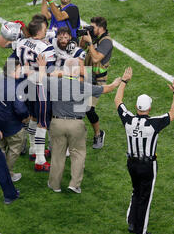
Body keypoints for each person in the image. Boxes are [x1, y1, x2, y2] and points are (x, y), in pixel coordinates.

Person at [31, 56, 122, 193]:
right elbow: (105, 89)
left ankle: (54, 185)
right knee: (78, 154)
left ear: (64, 70)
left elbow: (42, 79)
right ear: (75, 72)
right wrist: (116, 83)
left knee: (57, 155)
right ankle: (74, 184)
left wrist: (42, 66)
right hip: (76, 125)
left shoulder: (56, 82)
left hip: (57, 123)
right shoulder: (83, 86)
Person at [114, 68, 174, 234]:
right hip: (148, 165)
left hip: (131, 163)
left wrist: (124, 81)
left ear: (136, 106)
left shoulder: (128, 119)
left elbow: (117, 101)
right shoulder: (154, 124)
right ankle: (140, 233)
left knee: (136, 190)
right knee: (145, 199)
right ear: (149, 108)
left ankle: (131, 220)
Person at [12, 17, 56, 172]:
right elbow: (49, 71)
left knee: (33, 117)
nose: (46, 30)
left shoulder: (21, 42)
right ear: (38, 31)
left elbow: (18, 61)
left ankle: (33, 150)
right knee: (42, 122)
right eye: (44, 28)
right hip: (40, 86)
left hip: (26, 84)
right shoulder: (46, 48)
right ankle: (40, 159)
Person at [0, 59, 30, 182]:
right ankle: (7, 174)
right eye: (19, 69)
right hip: (12, 124)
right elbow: (20, 109)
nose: (21, 70)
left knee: (0, 146)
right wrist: (26, 117)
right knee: (14, 148)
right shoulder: (16, 88)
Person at [79, 17, 114, 149]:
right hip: (86, 74)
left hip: (98, 79)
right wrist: (83, 38)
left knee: (89, 108)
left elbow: (95, 58)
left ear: (101, 28)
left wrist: (89, 43)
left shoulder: (107, 42)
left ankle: (98, 134)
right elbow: (79, 48)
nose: (91, 29)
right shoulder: (93, 36)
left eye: (93, 27)